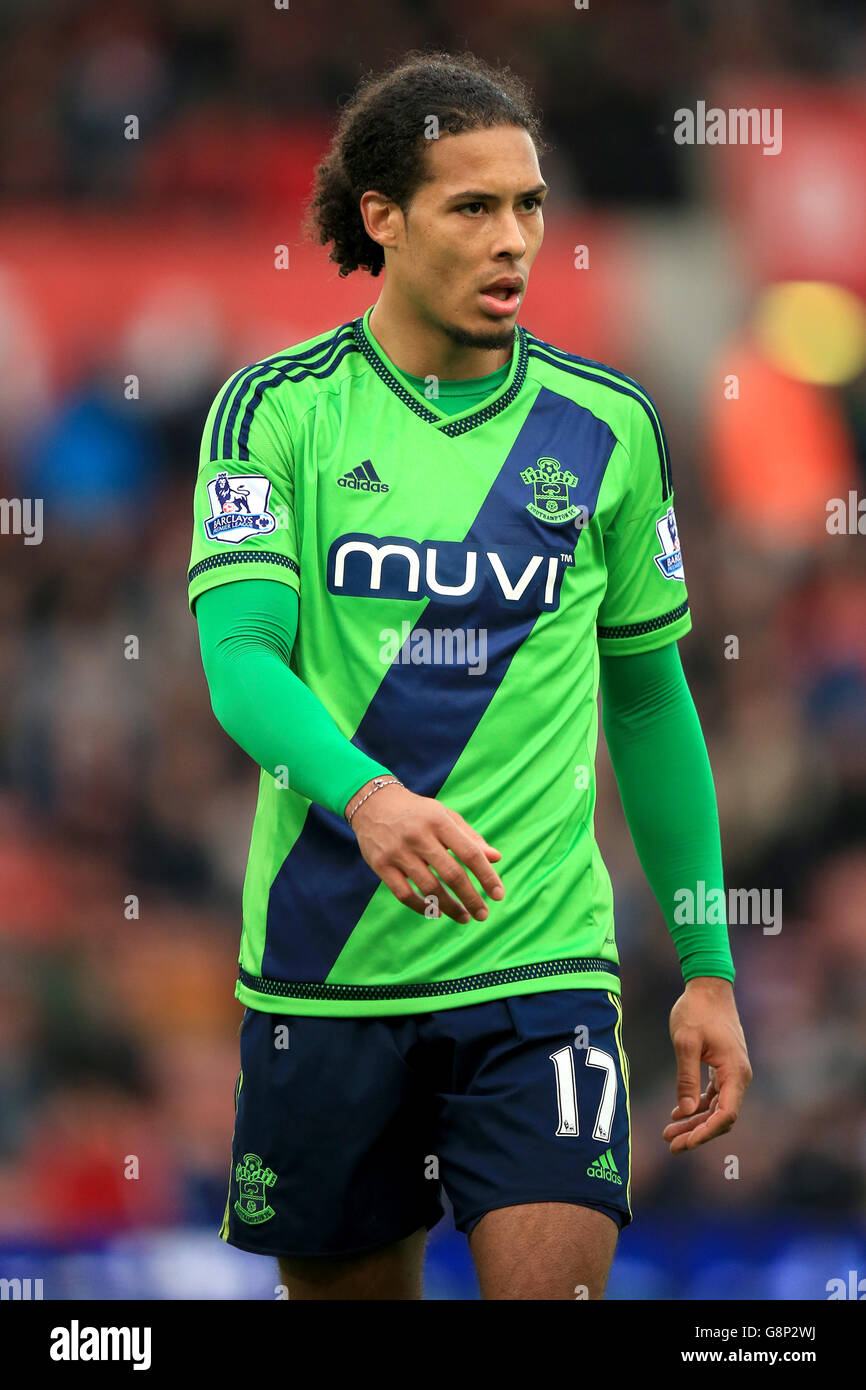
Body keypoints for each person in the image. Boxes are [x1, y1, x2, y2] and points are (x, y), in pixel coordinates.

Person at [188, 50, 751, 1300]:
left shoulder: (605, 428)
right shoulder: (276, 414)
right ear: (381, 218)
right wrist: (368, 798)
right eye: (473, 206)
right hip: (326, 973)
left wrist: (706, 961)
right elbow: (239, 666)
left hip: (537, 972)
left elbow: (651, 700)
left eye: (530, 204)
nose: (515, 240)